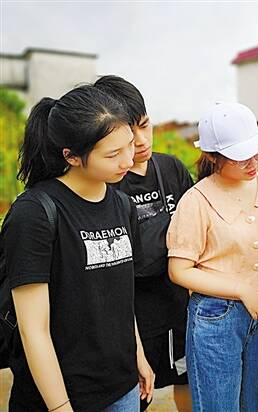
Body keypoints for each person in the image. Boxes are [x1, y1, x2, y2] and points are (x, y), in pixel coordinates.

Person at [0, 85, 154, 411]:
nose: (128, 160)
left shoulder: (123, 205)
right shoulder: (35, 214)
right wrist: (60, 407)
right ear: (71, 156)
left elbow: (121, 297)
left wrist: (138, 356)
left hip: (123, 389)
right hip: (59, 396)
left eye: (129, 145)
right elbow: (33, 330)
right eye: (112, 154)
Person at [167, 102, 258, 412]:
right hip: (216, 317)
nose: (253, 162)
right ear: (212, 156)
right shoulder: (196, 201)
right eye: (241, 156)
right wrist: (241, 289)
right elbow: (179, 270)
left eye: (257, 152)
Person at [94, 75, 194, 411]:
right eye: (128, 132)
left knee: (187, 381)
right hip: (131, 318)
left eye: (145, 126)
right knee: (137, 395)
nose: (140, 141)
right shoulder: (105, 185)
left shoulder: (171, 168)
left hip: (178, 307)